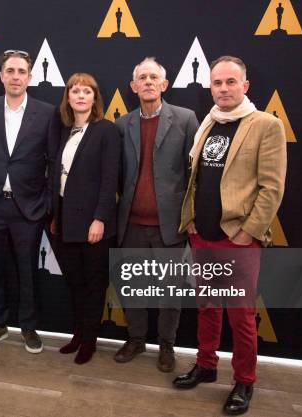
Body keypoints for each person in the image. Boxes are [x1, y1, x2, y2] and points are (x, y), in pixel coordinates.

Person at [173, 56, 286, 416]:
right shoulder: (208, 123)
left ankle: (244, 380)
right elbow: (197, 178)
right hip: (201, 234)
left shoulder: (266, 125)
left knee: (240, 315)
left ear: (245, 86)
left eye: (230, 82)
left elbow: (271, 188)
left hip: (237, 239)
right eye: (217, 83)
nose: (223, 89)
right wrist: (190, 220)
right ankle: (206, 365)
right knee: (207, 307)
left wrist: (247, 233)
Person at [0, 50, 60, 353]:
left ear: (30, 77)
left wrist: (45, 202)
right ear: (1, 76)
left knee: (28, 271)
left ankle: (29, 327)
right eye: (10, 71)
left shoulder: (47, 112)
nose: (16, 76)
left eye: (21, 71)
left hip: (28, 208)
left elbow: (54, 162)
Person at [114, 57, 198, 372]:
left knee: (168, 293)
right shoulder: (123, 124)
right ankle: (136, 339)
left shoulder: (187, 119)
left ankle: (166, 346)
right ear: (134, 86)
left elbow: (195, 174)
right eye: (142, 77)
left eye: (154, 77)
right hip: (130, 225)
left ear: (164, 84)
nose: (148, 82)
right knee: (132, 288)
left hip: (170, 225)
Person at [50, 73, 121, 364]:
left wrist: (100, 219)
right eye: (75, 91)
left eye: (86, 91)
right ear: (68, 97)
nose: (80, 96)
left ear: (95, 97)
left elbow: (109, 179)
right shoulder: (63, 131)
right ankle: (78, 335)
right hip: (65, 221)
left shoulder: (106, 130)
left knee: (93, 285)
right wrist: (56, 215)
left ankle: (90, 342)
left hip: (93, 223)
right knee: (75, 284)